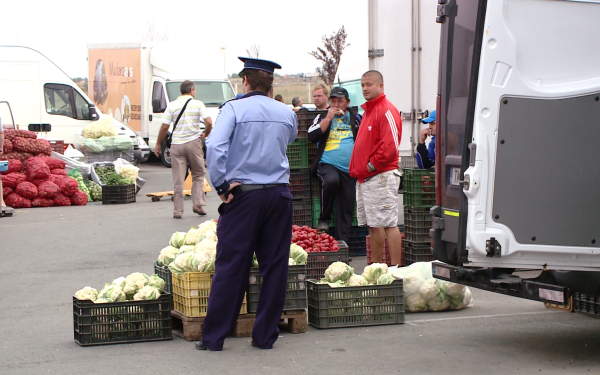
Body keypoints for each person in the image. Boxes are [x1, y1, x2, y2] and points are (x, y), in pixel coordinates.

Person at [199, 57, 297, 351]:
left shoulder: (233, 108)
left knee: (232, 265)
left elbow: (215, 146)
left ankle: (214, 337)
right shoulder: (286, 112)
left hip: (244, 195)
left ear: (245, 82)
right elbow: (287, 141)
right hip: (279, 194)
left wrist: (220, 185)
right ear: (271, 84)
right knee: (275, 266)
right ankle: (265, 336)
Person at [349, 70, 403, 265]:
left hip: (381, 176)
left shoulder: (386, 110)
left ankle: (396, 269)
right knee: (374, 225)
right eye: (363, 85)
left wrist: (370, 166)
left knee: (388, 223)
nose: (365, 88)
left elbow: (390, 147)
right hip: (366, 178)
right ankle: (376, 267)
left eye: (369, 84)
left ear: (381, 86)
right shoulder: (369, 111)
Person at [307, 87, 360, 242]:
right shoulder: (322, 116)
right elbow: (312, 136)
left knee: (347, 206)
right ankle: (324, 219)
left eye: (340, 101)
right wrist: (329, 118)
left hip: (350, 169)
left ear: (347, 102)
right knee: (331, 181)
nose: (336, 105)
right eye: (333, 101)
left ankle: (342, 246)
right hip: (327, 164)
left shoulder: (356, 117)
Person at [155, 80, 212, 219]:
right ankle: (198, 204)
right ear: (192, 90)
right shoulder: (198, 104)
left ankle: (178, 211)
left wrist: (158, 143)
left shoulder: (172, 105)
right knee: (198, 174)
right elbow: (209, 122)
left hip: (177, 145)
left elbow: (164, 127)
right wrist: (206, 135)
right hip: (193, 143)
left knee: (178, 179)